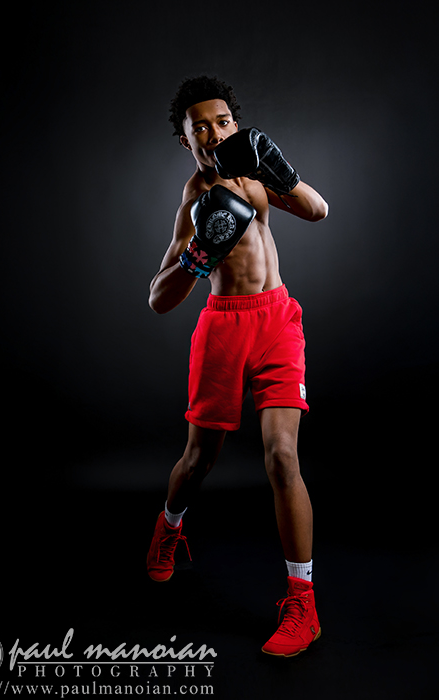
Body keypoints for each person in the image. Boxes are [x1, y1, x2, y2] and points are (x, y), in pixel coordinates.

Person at [146, 75, 328, 657]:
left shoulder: (253, 175)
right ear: (185, 140)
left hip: (276, 320)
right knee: (199, 460)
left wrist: (283, 171)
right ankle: (169, 530)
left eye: (222, 121)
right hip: (222, 327)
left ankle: (303, 603)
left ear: (235, 125)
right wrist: (200, 254)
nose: (213, 132)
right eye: (199, 126)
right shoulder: (196, 197)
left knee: (281, 455)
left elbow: (318, 211)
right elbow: (159, 297)